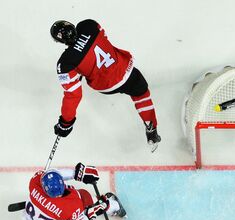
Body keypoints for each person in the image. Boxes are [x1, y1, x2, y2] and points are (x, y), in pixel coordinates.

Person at [50, 19, 161, 152]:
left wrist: (65, 123)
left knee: (134, 88)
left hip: (106, 86)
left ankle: (150, 124)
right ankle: (150, 126)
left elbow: (74, 95)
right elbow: (102, 40)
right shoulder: (88, 25)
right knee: (141, 91)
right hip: (124, 70)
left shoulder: (65, 63)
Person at [24, 163, 126, 220]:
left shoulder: (35, 182)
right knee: (84, 196)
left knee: (72, 192)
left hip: (32, 217)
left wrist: (76, 173)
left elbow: (53, 174)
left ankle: (38, 206)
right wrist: (88, 215)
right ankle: (113, 208)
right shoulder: (68, 208)